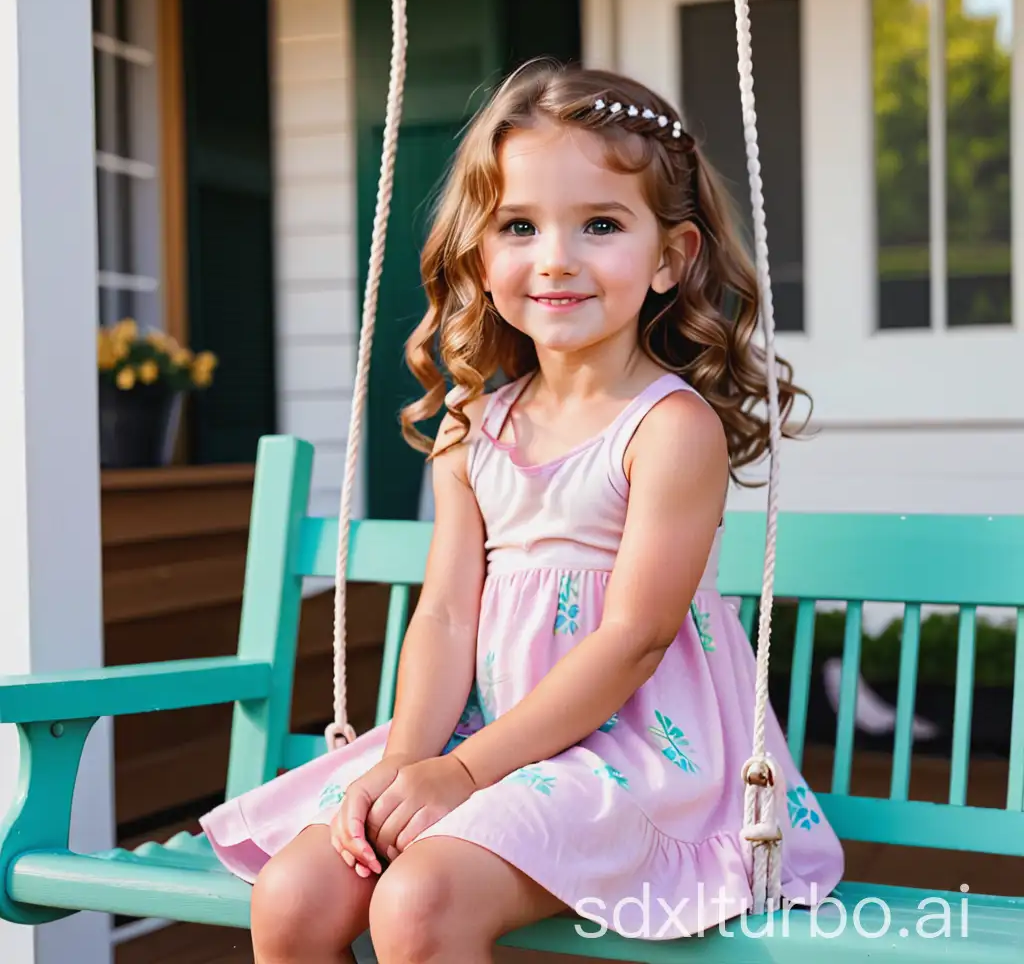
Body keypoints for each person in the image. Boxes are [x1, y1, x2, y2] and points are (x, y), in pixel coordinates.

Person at [199, 61, 844, 963]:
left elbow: (635, 640)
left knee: (420, 903)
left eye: (601, 225)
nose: (555, 258)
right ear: (480, 250)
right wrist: (406, 767)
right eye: (519, 225)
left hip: (634, 753)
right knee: (296, 895)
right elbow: (448, 610)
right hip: (479, 737)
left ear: (670, 257)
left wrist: (463, 773)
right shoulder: (474, 423)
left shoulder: (667, 429)